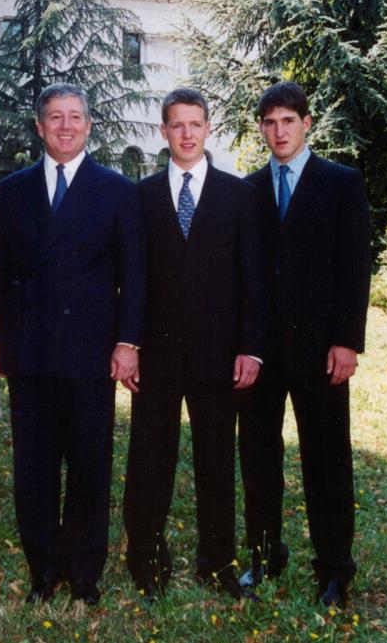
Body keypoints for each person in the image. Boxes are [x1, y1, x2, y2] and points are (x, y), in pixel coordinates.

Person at [0, 83, 146, 607]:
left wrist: (127, 342)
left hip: (90, 353)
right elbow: (0, 275)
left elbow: (134, 275)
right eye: (54, 117)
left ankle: (84, 571)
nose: (65, 126)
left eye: (74, 117)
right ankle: (42, 570)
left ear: (89, 125)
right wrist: (0, 345)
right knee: (34, 468)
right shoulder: (12, 192)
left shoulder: (117, 189)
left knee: (88, 464)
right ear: (39, 127)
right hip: (31, 354)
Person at [122, 88, 265, 602]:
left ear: (209, 129)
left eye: (195, 124)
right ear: (163, 132)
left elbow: (252, 278)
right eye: (176, 125)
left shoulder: (238, 195)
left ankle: (217, 564)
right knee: (149, 460)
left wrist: (251, 348)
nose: (186, 133)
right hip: (156, 356)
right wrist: (129, 343)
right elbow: (132, 277)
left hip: (219, 356)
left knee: (215, 461)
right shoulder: (140, 196)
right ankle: (145, 560)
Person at [237, 81, 371, 608]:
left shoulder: (340, 183)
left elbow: (355, 268)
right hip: (262, 354)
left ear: (306, 123)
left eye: (288, 121)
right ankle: (265, 556)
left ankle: (335, 570)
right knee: (259, 459)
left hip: (321, 353)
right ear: (261, 129)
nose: (279, 132)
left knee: (328, 462)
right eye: (269, 123)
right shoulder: (247, 191)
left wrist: (346, 341)